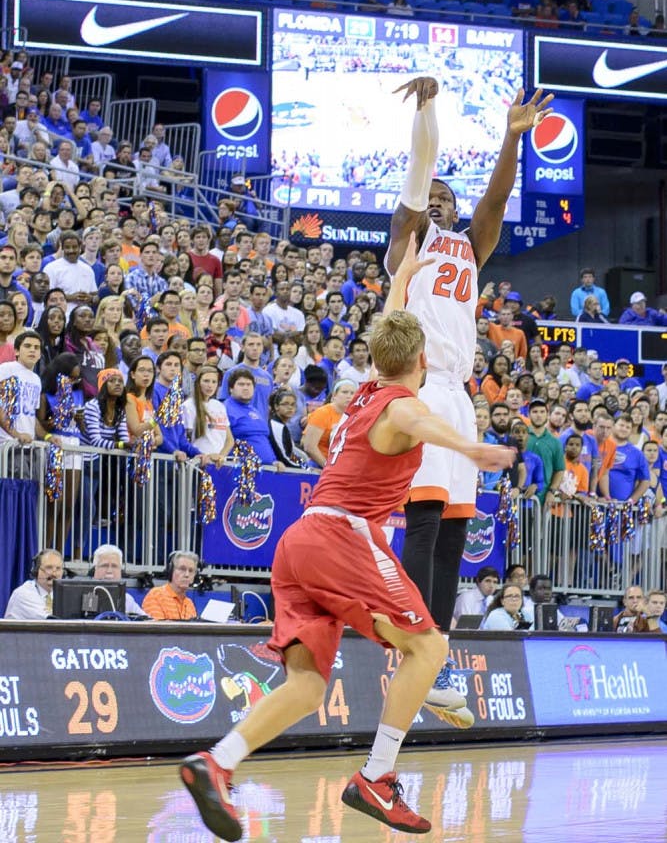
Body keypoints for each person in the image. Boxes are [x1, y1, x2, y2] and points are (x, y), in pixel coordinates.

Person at [179, 300, 514, 840]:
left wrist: (404, 258)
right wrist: (470, 447)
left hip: (298, 542)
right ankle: (377, 776)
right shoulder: (398, 403)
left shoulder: (361, 393)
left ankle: (216, 763)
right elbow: (415, 419)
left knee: (308, 686)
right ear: (423, 359)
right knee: (428, 647)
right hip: (342, 534)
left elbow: (396, 307)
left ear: (376, 357)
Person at [384, 75, 552, 705]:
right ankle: (413, 641)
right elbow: (420, 163)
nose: (444, 203)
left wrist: (512, 140)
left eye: (449, 199)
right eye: (435, 197)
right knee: (424, 520)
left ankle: (437, 660)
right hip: (420, 385)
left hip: (458, 394)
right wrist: (427, 109)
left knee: (455, 527)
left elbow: (497, 197)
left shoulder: (470, 246)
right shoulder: (408, 237)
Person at [301, 379, 356, 468]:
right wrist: (328, 467)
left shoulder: (356, 416)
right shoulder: (322, 413)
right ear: (334, 396)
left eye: (352, 393)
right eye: (344, 392)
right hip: (320, 463)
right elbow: (309, 446)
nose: (349, 396)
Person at [4, 548, 64, 619]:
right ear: (36, 570)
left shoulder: (59, 594)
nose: (54, 573)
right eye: (49, 567)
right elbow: (51, 619)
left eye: (58, 568)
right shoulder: (23, 593)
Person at [91, 544, 147, 615]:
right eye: (104, 565)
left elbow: (147, 622)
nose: (109, 571)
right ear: (95, 568)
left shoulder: (127, 599)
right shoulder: (82, 595)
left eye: (114, 566)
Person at [142, 551, 198, 620]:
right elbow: (156, 629)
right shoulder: (156, 595)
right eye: (182, 569)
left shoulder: (190, 604)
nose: (187, 575)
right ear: (171, 571)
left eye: (191, 571)